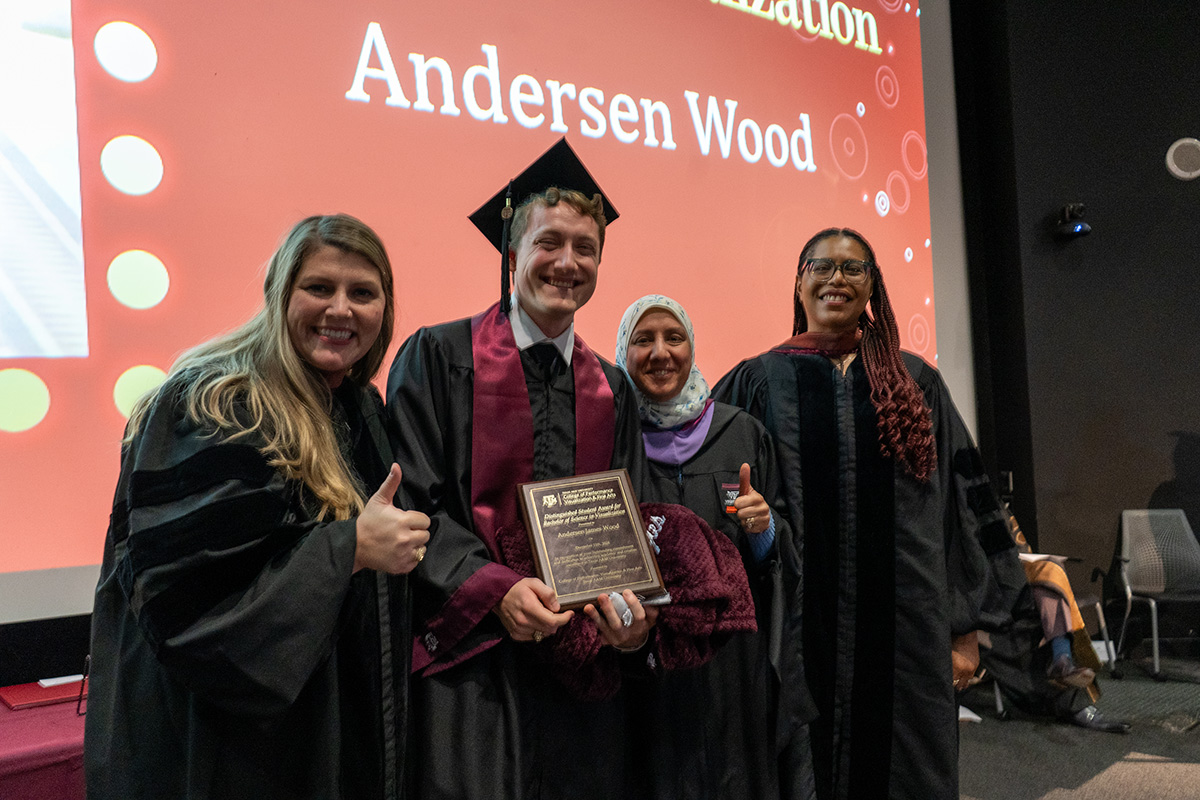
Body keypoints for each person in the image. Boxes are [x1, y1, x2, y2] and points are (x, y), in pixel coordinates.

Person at [85, 214, 430, 800]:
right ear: (279, 293)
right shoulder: (216, 403)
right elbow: (191, 606)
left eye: (363, 293)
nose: (341, 309)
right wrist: (351, 548)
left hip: (318, 731)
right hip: (224, 747)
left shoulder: (355, 404)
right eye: (319, 288)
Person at [386, 139, 653, 800]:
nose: (567, 263)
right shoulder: (437, 357)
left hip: (577, 666)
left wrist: (633, 608)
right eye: (548, 242)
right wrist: (492, 589)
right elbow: (413, 501)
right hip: (471, 662)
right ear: (511, 255)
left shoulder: (613, 390)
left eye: (585, 249)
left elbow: (630, 521)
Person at [714, 227, 1020, 800]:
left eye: (853, 269)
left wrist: (966, 629)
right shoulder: (758, 380)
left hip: (907, 629)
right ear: (799, 282)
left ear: (873, 285)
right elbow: (716, 493)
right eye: (821, 266)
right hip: (799, 625)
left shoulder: (914, 383)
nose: (836, 278)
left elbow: (962, 507)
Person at [615, 294, 817, 800]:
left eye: (673, 337)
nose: (661, 352)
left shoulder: (740, 433)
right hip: (645, 661)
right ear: (623, 352)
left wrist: (764, 529)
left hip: (734, 668)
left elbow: (781, 557)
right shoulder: (610, 439)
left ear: (691, 346)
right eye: (644, 340)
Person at [977, 513, 1130, 733]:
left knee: (1049, 569)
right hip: (974, 594)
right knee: (1024, 626)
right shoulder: (945, 501)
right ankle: (1065, 677)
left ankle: (1062, 659)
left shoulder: (986, 500)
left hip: (1008, 583)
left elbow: (1016, 550)